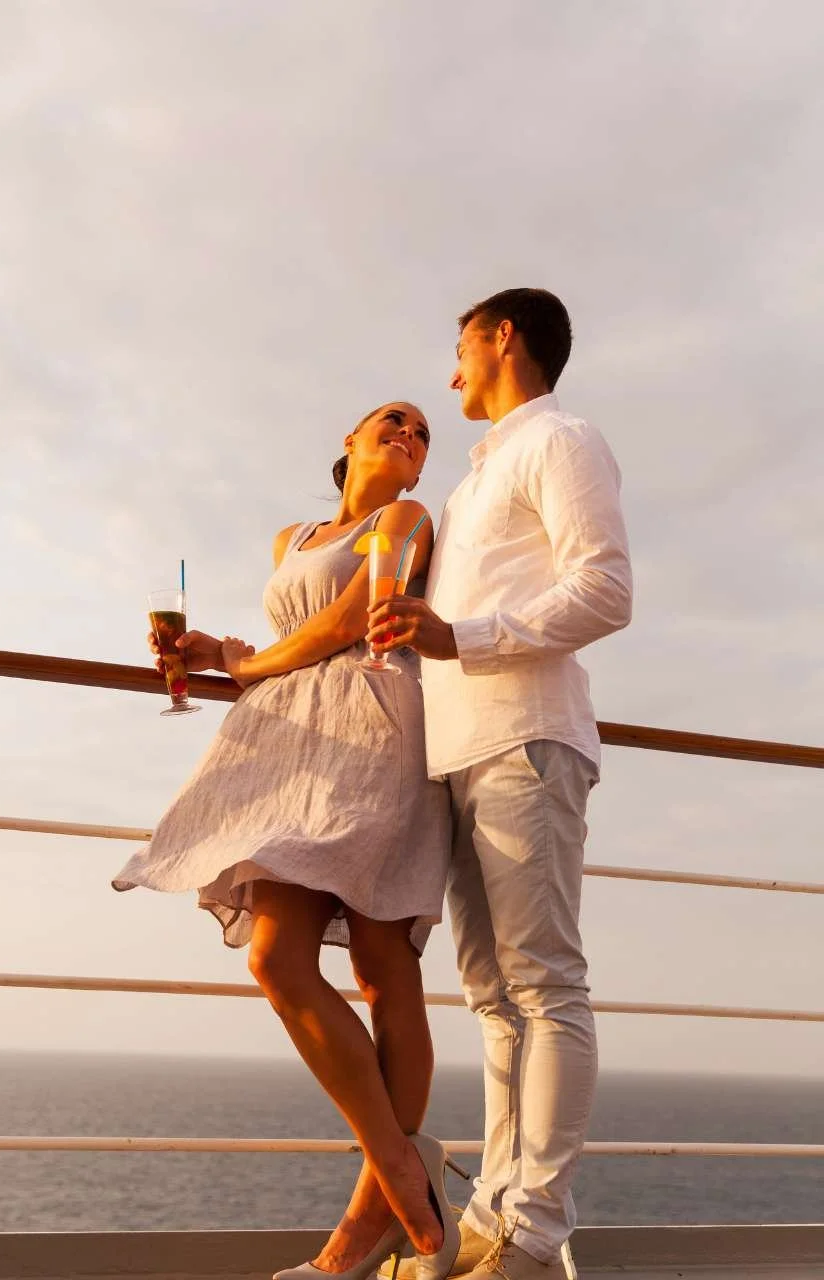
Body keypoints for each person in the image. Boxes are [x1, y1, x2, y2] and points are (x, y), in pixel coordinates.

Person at [112, 402, 460, 1280]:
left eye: (422, 434)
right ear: (347, 442)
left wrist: (240, 662)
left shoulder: (408, 520)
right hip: (292, 740)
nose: (410, 435)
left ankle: (362, 1229)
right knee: (278, 958)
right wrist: (214, 648)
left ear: (417, 472)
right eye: (394, 420)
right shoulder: (290, 537)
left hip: (377, 718)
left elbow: (348, 623)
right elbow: (288, 638)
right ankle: (405, 1173)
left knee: (384, 965)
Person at [368, 290, 633, 1280]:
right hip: (458, 753)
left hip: (527, 738)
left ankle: (536, 1233)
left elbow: (608, 585)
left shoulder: (561, 440)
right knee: (490, 994)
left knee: (545, 984)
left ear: (499, 337)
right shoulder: (471, 485)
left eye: (458, 348)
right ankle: (494, 1215)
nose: (449, 375)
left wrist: (462, 635)